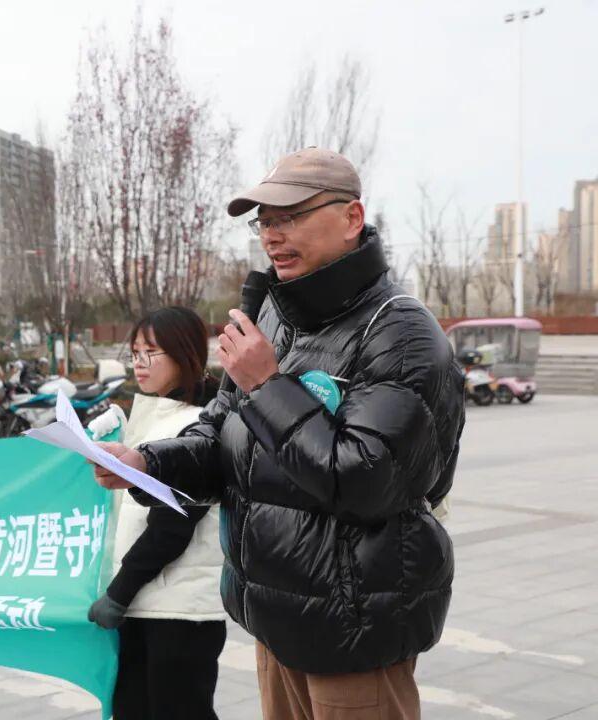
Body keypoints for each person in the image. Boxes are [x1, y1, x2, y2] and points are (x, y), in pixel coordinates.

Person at [92, 148, 465, 719]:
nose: (272, 235)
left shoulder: (400, 333)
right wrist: (146, 463)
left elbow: (365, 482)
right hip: (276, 619)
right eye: (263, 221)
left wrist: (267, 386)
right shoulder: (274, 319)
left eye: (290, 216)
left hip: (355, 630)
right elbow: (220, 434)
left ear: (351, 218)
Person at [86, 307, 228, 720]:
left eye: (152, 352)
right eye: (135, 352)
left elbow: (172, 528)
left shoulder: (199, 427)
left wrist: (118, 592)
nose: (139, 362)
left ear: (184, 354)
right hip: (141, 604)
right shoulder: (147, 422)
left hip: (180, 612)